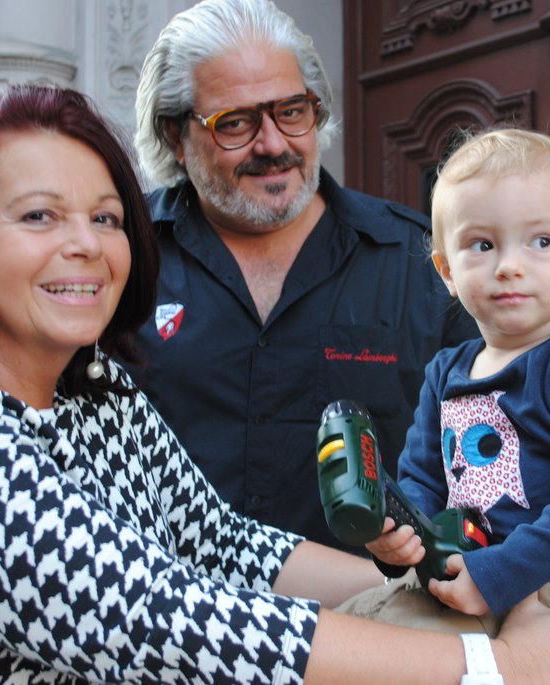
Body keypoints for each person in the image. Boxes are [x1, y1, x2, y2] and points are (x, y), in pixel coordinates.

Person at [0, 84, 550, 684]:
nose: (85, 244)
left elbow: (222, 543)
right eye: (39, 215)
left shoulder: (95, 390)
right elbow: (158, 619)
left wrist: (468, 580)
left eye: (106, 217)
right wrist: (501, 665)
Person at [130, 0, 479, 549]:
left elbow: (504, 437)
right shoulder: (122, 255)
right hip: (163, 602)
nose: (273, 145)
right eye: (235, 123)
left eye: (292, 111)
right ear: (176, 136)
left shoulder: (420, 263)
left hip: (378, 603)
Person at [355, 129, 550, 646]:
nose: (510, 266)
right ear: (447, 271)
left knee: (386, 653)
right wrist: (399, 538)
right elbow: (421, 483)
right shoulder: (445, 373)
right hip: (459, 581)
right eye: (483, 245)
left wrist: (499, 573)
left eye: (541, 242)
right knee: (343, 625)